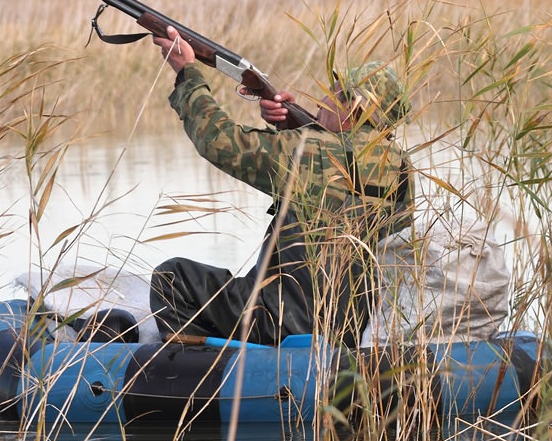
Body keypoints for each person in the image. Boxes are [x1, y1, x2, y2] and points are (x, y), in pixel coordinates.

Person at [148, 25, 413, 348]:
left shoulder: (309, 150)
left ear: (354, 107)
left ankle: (196, 378)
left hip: (282, 323)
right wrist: (289, 127)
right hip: (351, 327)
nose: (323, 101)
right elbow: (341, 176)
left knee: (173, 279)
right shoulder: (399, 167)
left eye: (333, 93)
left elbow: (218, 141)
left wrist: (186, 72)